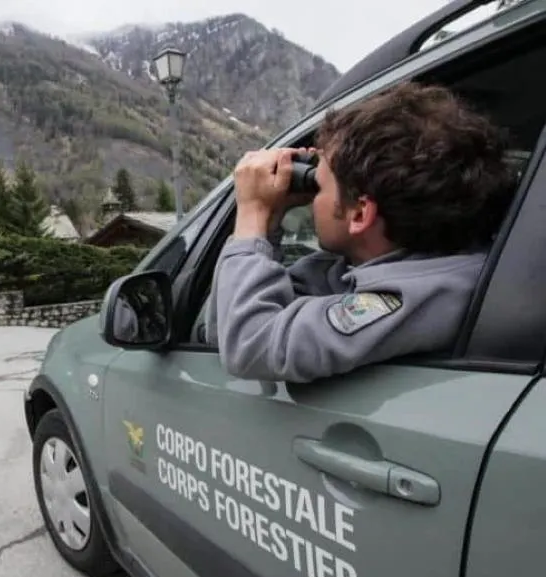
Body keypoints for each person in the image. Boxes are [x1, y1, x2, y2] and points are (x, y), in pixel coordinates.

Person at [206, 81, 516, 383]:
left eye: (319, 185)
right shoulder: (373, 268)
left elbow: (251, 345)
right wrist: (270, 222)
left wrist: (253, 212)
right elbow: (226, 328)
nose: (311, 198)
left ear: (360, 214)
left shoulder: (424, 295)